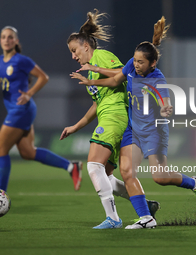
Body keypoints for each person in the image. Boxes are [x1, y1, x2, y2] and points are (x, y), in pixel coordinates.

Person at [70, 16, 196, 229]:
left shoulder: (158, 78)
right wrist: (93, 78)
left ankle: (194, 183)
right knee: (126, 172)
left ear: (152, 64)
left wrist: (165, 106)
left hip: (153, 130)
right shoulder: (133, 65)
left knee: (160, 177)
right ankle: (146, 218)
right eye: (134, 61)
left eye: (140, 62)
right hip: (132, 129)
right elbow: (117, 78)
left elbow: (164, 98)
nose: (135, 65)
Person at [61, 10, 160, 229]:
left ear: (86, 46)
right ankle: (145, 205)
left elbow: (120, 74)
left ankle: (113, 218)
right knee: (106, 174)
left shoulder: (100, 57)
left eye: (74, 50)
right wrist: (75, 127)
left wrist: (95, 71)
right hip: (109, 117)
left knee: (94, 166)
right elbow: (97, 105)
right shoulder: (91, 72)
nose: (73, 56)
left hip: (116, 116)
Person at [0, 26, 82, 203]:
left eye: (10, 37)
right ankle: (71, 166)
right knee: (27, 152)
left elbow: (43, 77)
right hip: (15, 110)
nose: (6, 40)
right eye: (3, 37)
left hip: (22, 110)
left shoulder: (21, 60)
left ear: (16, 41)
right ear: (0, 40)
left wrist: (29, 93)